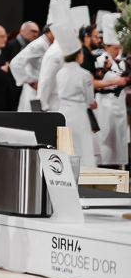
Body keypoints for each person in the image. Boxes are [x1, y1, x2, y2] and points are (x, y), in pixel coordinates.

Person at [56, 33, 97, 167]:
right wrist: (92, 103)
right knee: (82, 144)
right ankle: (84, 172)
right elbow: (89, 98)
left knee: (66, 145)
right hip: (79, 112)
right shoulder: (84, 74)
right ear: (79, 55)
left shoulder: (59, 73)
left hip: (62, 111)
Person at [94, 15, 129, 167]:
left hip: (119, 103)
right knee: (106, 137)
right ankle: (104, 166)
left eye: (119, 48)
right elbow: (97, 81)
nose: (118, 51)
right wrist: (116, 81)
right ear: (106, 46)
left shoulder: (120, 62)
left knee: (119, 138)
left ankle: (118, 167)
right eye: (115, 48)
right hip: (105, 103)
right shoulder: (100, 60)